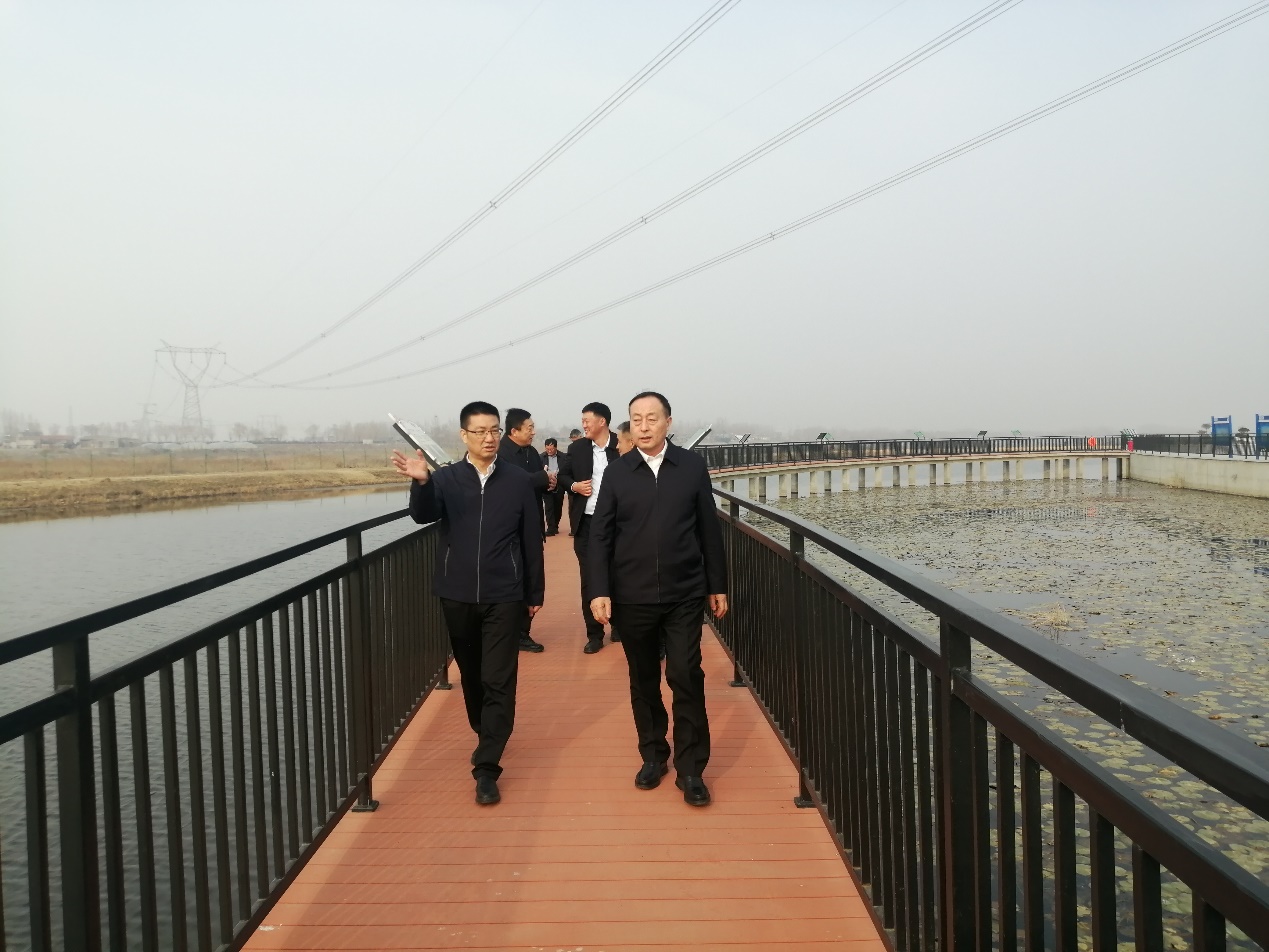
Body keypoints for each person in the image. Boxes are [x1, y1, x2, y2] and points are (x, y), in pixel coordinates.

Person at [392, 401, 544, 806]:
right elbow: (422, 515)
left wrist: (534, 593)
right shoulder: (446, 479)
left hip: (505, 594)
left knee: (499, 678)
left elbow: (531, 538)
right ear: (464, 435)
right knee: (473, 676)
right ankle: (485, 731)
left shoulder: (518, 481)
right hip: (457, 593)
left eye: (494, 430)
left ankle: (487, 766)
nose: (489, 438)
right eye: (480, 431)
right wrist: (422, 483)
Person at [588, 391, 728, 807]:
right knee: (643, 677)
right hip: (632, 595)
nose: (644, 426)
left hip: (685, 592)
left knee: (685, 674)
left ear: (668, 421)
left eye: (652, 418)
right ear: (629, 425)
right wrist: (599, 589)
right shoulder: (618, 472)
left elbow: (708, 528)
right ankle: (653, 755)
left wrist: (716, 584)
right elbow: (601, 536)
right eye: (637, 419)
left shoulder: (691, 467)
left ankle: (691, 769)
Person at [561, 402, 619, 653]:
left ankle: (618, 625)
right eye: (582, 420)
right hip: (587, 522)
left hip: (618, 523)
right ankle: (594, 634)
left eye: (587, 420)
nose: (583, 424)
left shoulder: (622, 445)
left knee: (619, 574)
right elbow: (562, 476)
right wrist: (574, 486)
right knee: (589, 577)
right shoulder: (577, 449)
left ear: (602, 421)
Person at [498, 408, 552, 653]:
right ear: (514, 431)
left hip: (532, 524)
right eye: (529, 428)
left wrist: (548, 483)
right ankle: (513, 632)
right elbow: (510, 483)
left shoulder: (531, 452)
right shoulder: (501, 453)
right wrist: (541, 478)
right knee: (513, 578)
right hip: (509, 528)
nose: (533, 432)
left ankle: (523, 631)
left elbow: (535, 482)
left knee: (532, 576)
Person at [540, 437, 565, 536]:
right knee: (548, 507)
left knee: (558, 506)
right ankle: (551, 528)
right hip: (547, 484)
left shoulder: (563, 457)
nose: (549, 451)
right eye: (547, 449)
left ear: (556, 447)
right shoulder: (541, 457)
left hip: (559, 484)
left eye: (551, 449)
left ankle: (555, 526)